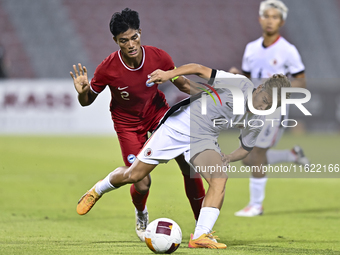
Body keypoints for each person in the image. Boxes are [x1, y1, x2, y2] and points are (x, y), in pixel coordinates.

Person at [76, 63, 292, 249]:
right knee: (135, 176)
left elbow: (246, 147)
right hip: (178, 126)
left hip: (204, 138)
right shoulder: (240, 84)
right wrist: (169, 74)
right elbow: (199, 69)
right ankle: (97, 190)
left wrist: (229, 157)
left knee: (220, 178)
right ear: (261, 87)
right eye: (265, 99)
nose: (263, 105)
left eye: (270, 105)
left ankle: (200, 235)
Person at [70, 8, 206, 241]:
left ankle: (202, 230)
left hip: (158, 114)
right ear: (116, 41)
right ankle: (138, 211)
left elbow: (182, 84)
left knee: (190, 167)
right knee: (141, 182)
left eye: (134, 37)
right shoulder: (107, 68)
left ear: (140, 33)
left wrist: (211, 94)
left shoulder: (159, 58)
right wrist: (82, 93)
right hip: (128, 124)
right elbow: (86, 102)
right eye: (124, 40)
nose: (131, 44)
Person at [229, 0, 310, 217]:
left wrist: (280, 93)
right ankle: (291, 155)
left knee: (256, 153)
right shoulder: (251, 48)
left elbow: (301, 81)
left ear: (281, 21)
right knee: (249, 158)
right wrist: (237, 76)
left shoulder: (288, 50)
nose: (270, 20)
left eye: (275, 17)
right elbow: (246, 78)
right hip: (254, 109)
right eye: (267, 16)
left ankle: (256, 205)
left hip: (274, 110)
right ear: (260, 19)